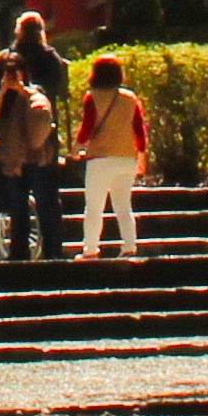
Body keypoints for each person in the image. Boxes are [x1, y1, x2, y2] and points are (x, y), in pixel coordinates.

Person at [72, 50, 154, 260]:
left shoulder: (93, 98)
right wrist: (142, 157)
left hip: (100, 159)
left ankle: (90, 250)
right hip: (127, 158)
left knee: (94, 208)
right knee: (123, 206)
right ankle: (129, 247)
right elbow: (139, 130)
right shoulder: (130, 98)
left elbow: (87, 128)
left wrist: (75, 149)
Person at [0, 47, 62, 260]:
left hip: (37, 158)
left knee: (45, 206)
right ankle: (19, 253)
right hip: (14, 159)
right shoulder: (5, 97)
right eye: (7, 71)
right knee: (17, 209)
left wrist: (21, 89)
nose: (11, 75)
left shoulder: (34, 92)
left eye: (14, 70)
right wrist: (3, 90)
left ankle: (52, 252)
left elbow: (42, 110)